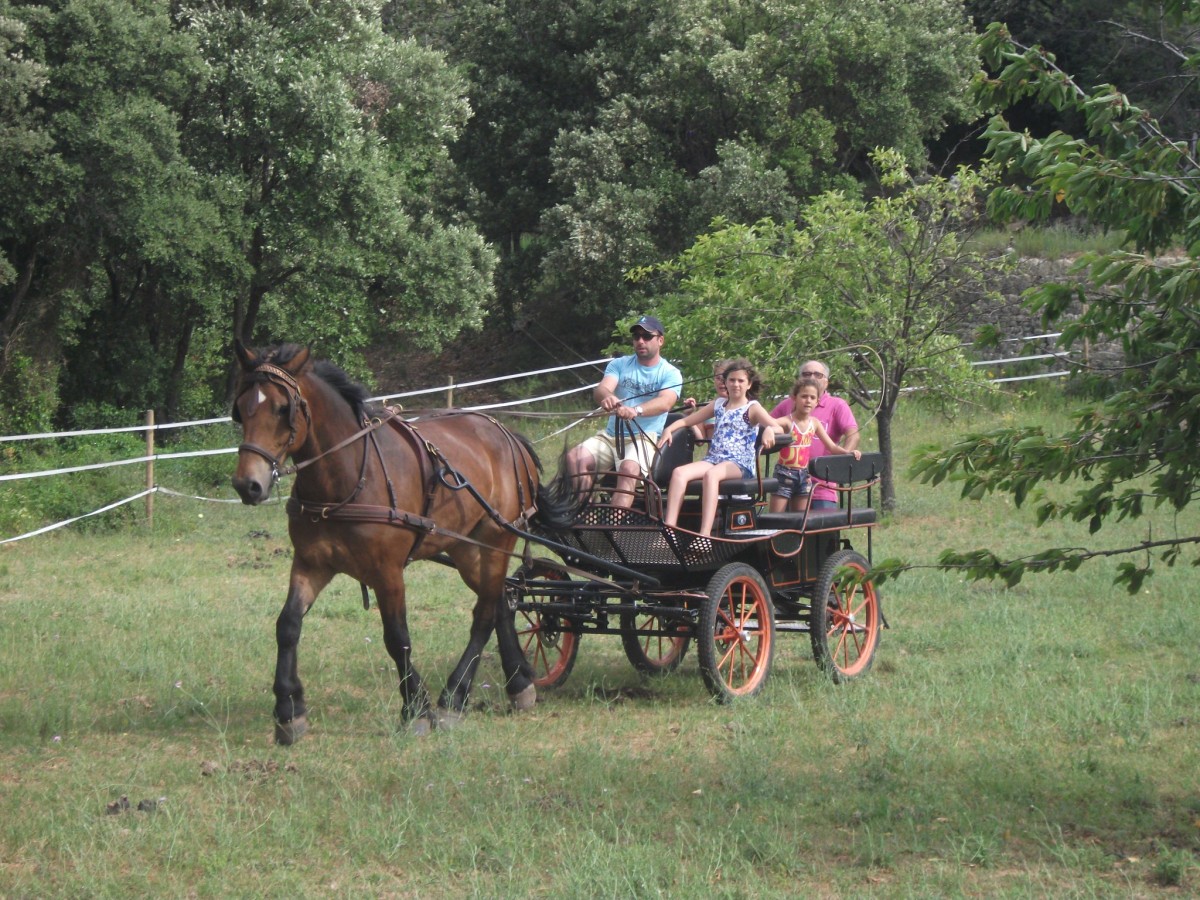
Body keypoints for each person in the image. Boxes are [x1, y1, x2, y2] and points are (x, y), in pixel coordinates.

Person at [565, 315, 683, 508]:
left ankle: (614, 527)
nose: (640, 341)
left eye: (647, 336)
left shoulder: (670, 373)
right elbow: (602, 389)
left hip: (645, 438)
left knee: (628, 468)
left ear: (660, 340)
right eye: (636, 337)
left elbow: (665, 402)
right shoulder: (619, 364)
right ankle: (586, 518)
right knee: (574, 459)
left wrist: (636, 410)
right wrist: (608, 396)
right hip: (611, 436)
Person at [658, 359, 780, 537]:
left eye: (740, 381)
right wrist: (669, 428)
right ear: (725, 382)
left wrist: (769, 430)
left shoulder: (752, 408)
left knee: (711, 475)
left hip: (739, 463)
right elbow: (687, 420)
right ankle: (668, 531)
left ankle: (705, 534)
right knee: (679, 473)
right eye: (731, 380)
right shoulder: (718, 404)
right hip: (714, 459)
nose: (735, 384)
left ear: (749, 384)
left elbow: (778, 427)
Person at [769, 359, 860, 509]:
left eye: (818, 375)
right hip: (787, 477)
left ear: (826, 381)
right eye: (806, 374)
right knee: (785, 526)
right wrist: (768, 432)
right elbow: (766, 424)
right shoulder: (787, 406)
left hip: (823, 484)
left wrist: (847, 456)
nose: (812, 378)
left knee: (820, 529)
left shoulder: (837, 405)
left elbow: (852, 434)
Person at [684, 358, 733, 441]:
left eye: (725, 378)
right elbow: (700, 441)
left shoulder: (745, 405)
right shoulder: (705, 407)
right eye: (718, 378)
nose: (722, 382)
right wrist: (689, 415)